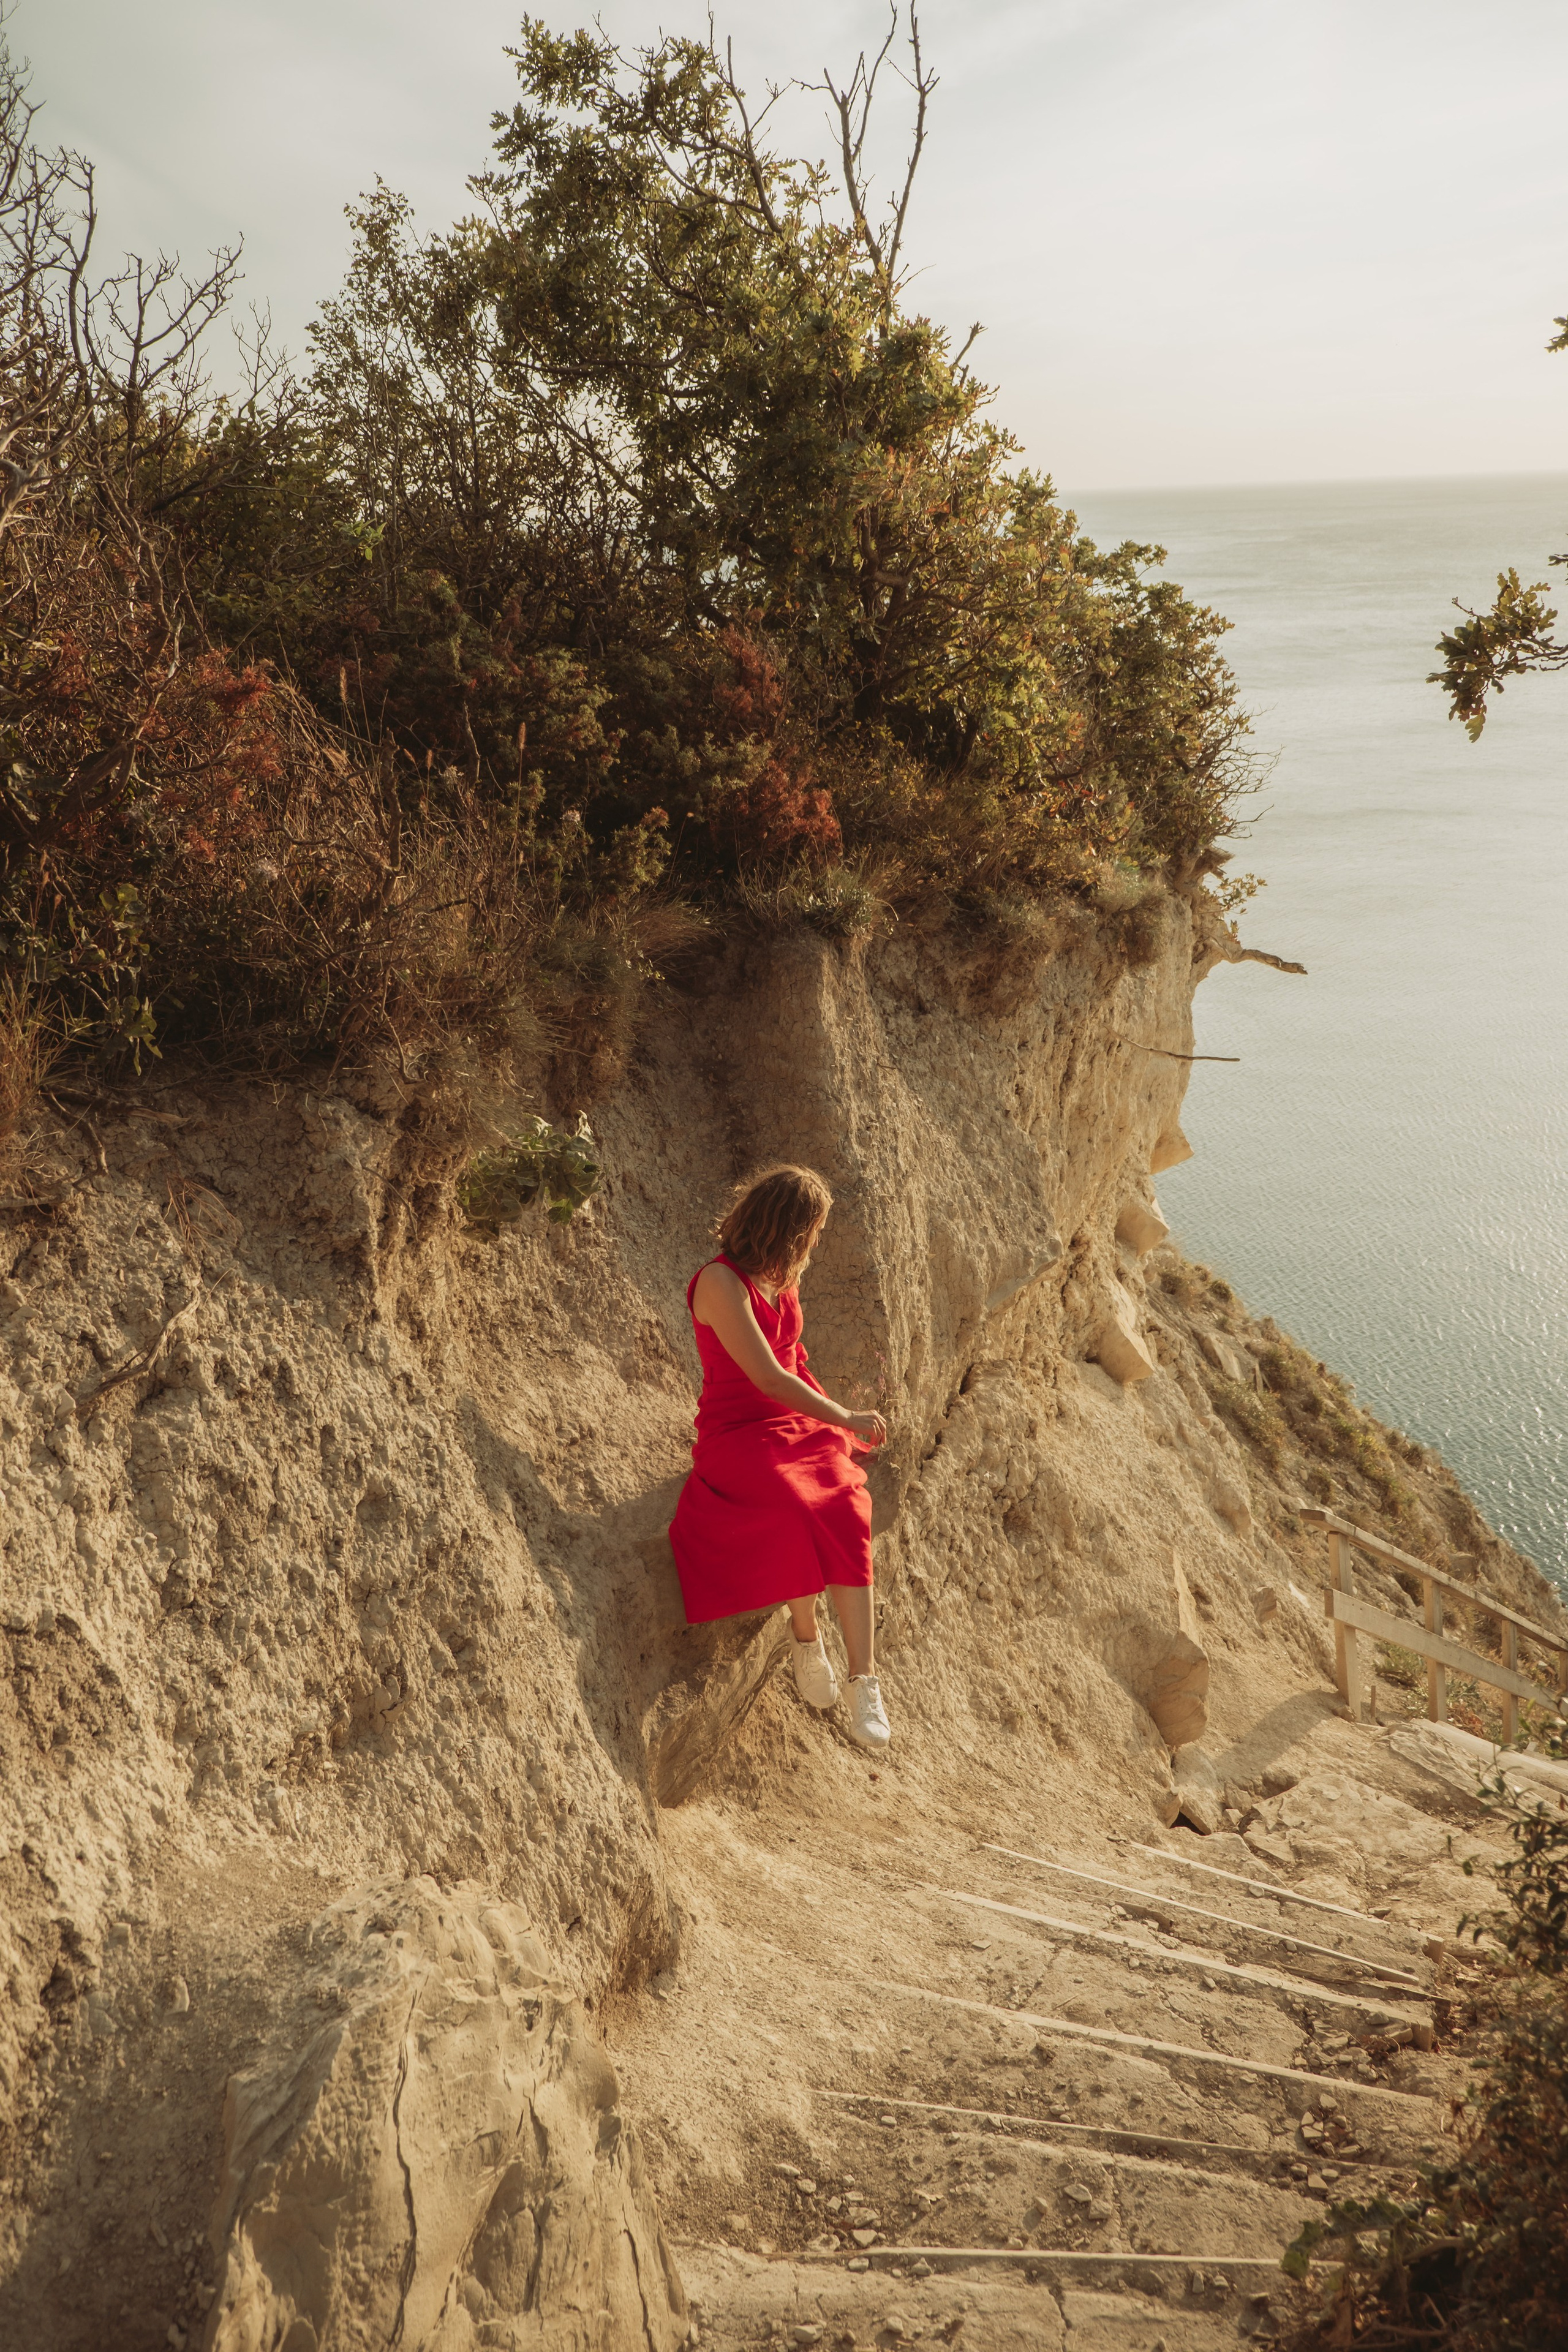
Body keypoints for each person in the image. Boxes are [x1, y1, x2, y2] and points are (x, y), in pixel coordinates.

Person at [669, 1164, 892, 1753]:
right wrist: (844, 1416)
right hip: (738, 1431)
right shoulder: (720, 1283)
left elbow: (794, 1360)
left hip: (793, 1422)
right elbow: (768, 1377)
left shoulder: (780, 1277)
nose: (816, 1243)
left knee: (845, 1505)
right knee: (796, 1506)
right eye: (813, 1231)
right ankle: (806, 1635)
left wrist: (828, 1424)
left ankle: (864, 1681)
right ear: (790, 1227)